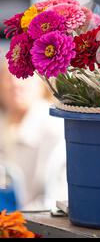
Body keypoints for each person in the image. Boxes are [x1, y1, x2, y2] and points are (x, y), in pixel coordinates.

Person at [0, 60, 67, 210]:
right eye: (7, 77)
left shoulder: (55, 129)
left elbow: (56, 200)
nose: (16, 84)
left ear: (42, 83)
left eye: (24, 76)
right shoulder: (4, 124)